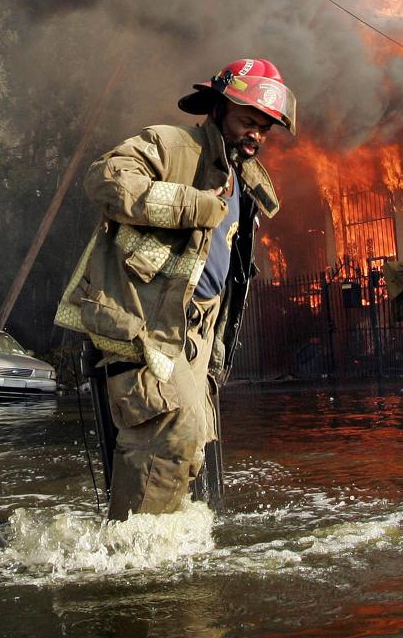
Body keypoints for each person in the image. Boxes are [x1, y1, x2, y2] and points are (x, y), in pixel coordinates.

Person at [56, 58, 296, 519]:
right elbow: (104, 182)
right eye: (249, 121)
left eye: (264, 128)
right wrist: (195, 205)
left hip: (195, 332)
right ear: (218, 108)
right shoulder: (171, 145)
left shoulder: (243, 184)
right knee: (172, 424)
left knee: (192, 442)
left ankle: (157, 546)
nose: (257, 135)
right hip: (140, 319)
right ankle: (136, 555)